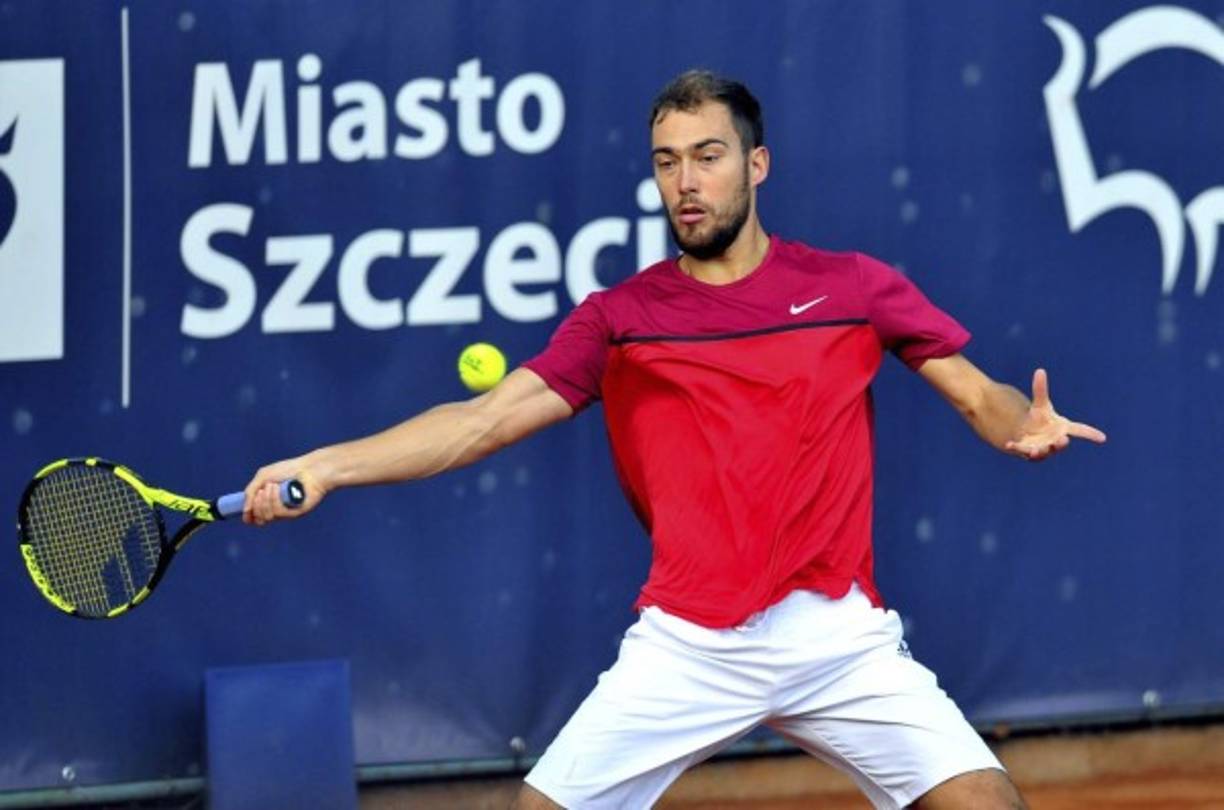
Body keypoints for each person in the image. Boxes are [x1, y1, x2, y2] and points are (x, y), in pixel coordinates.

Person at [242, 70, 1106, 810]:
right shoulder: (622, 321)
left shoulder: (852, 288)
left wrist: (1016, 425)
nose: (685, 182)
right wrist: (326, 466)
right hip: (691, 642)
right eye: (666, 162)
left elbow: (975, 393)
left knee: (985, 801)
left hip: (837, 634)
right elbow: (479, 422)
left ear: (756, 165)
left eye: (708, 156)